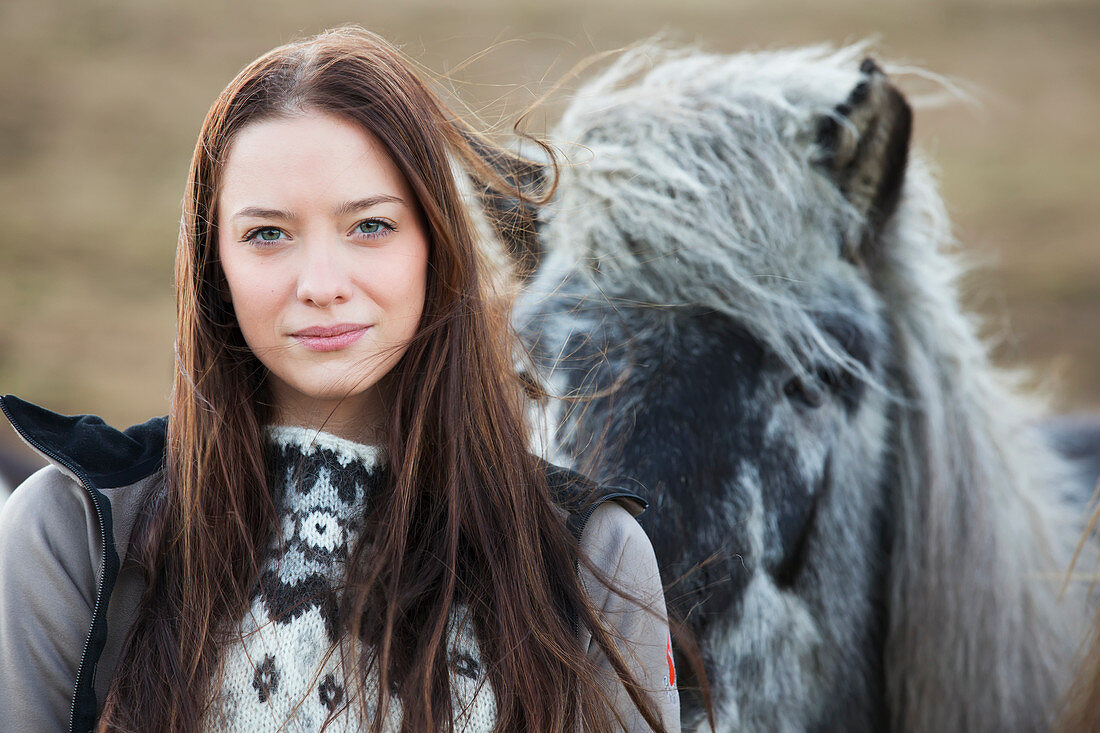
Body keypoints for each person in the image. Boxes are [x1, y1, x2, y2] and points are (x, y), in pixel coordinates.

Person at [0, 26, 680, 732]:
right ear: (215, 267)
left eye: (370, 226)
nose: (321, 284)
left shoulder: (588, 559)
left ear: (437, 247)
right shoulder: (71, 534)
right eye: (267, 234)